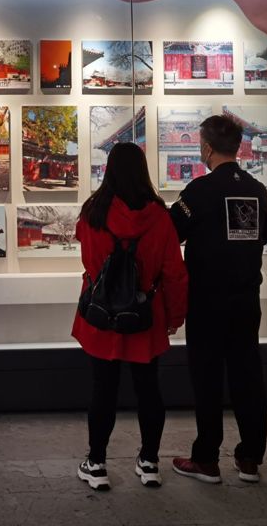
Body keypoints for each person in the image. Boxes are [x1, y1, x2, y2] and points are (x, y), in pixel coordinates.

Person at [73, 142, 188, 492]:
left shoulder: (93, 213)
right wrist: (175, 315)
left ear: (109, 170)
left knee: (102, 390)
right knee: (149, 389)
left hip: (102, 315)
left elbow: (88, 260)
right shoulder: (159, 217)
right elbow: (174, 272)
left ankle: (96, 464)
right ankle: (149, 462)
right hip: (144, 315)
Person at [169, 115, 267, 485]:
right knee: (248, 376)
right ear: (239, 146)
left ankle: (206, 459)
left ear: (206, 147)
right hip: (246, 298)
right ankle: (250, 459)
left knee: (207, 378)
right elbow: (264, 234)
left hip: (207, 300)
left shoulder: (199, 191)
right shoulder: (257, 190)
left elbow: (171, 231)